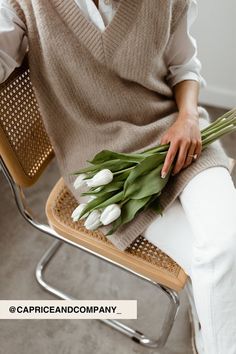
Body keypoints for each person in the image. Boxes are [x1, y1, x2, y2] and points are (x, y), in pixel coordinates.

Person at [0, 1, 235, 353]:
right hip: (109, 171)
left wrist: (187, 118)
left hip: (180, 135)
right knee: (219, 260)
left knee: (226, 245)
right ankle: (208, 326)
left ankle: (209, 324)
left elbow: (184, 65)